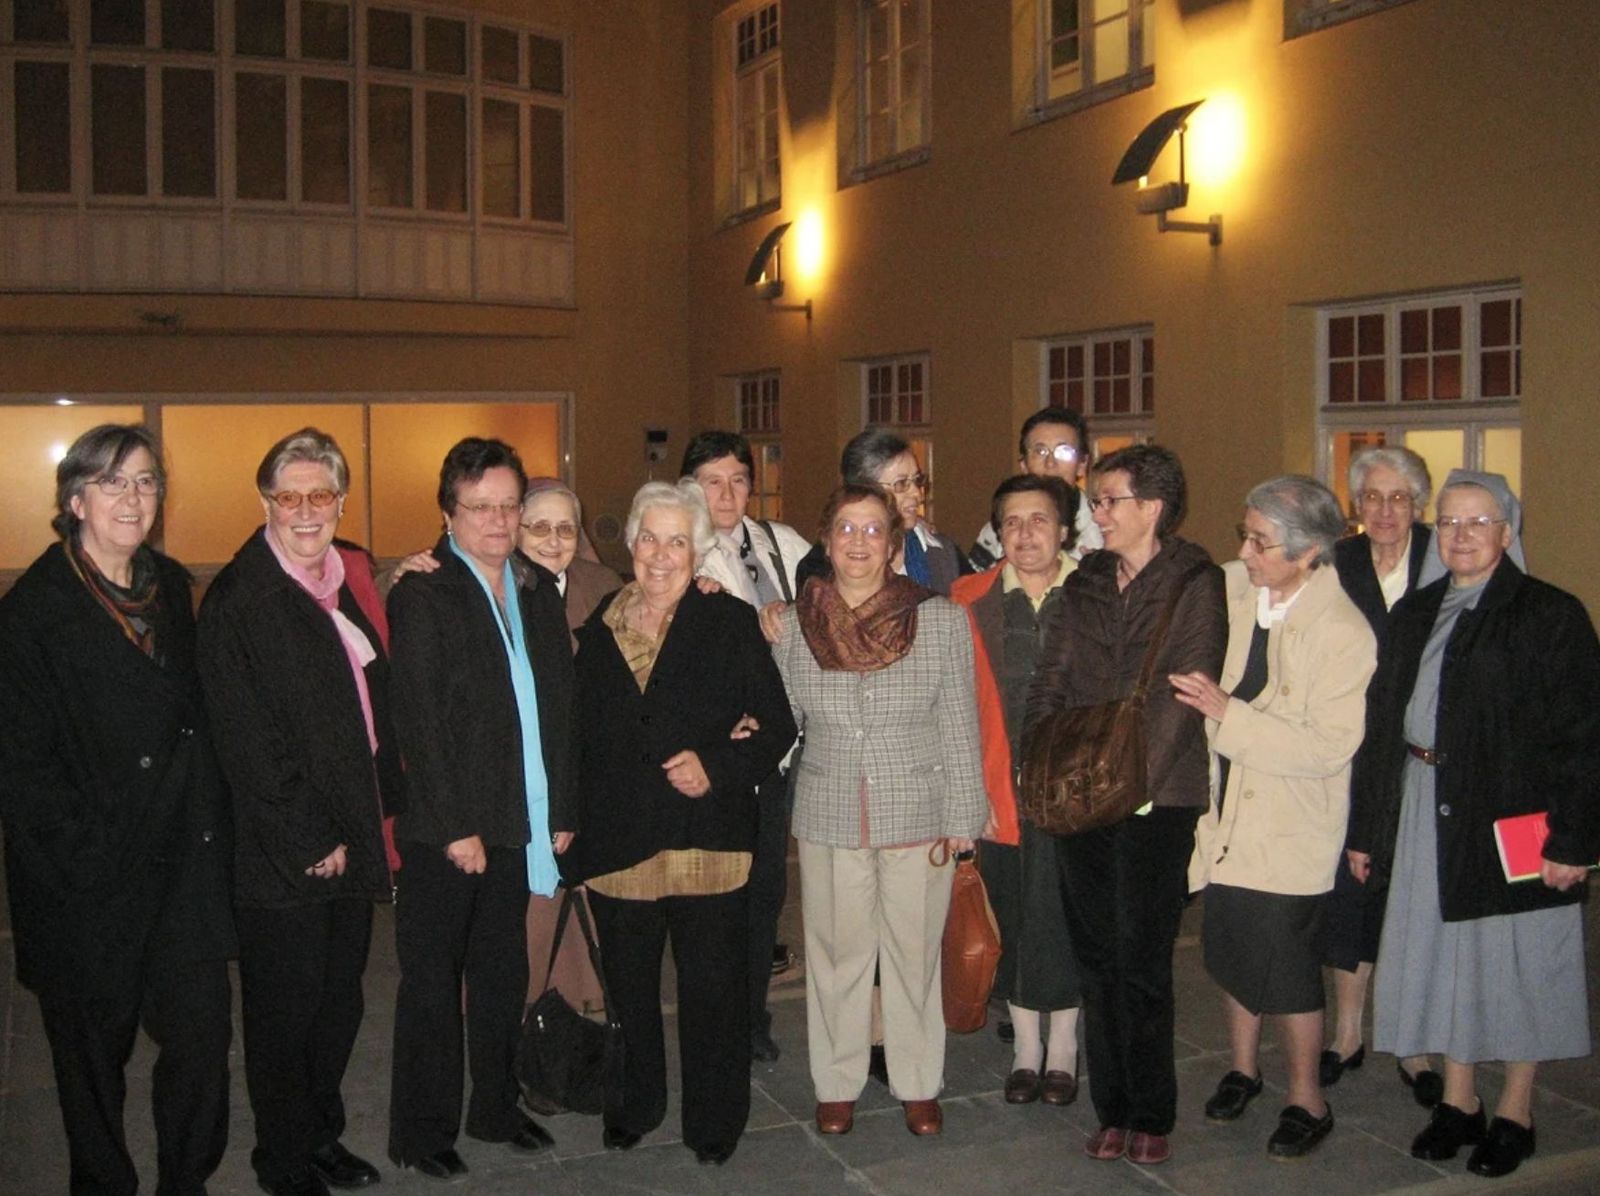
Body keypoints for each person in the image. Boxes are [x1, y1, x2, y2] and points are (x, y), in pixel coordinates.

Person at [0, 424, 234, 1196]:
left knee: (200, 1040)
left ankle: (185, 1182)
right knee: (91, 1066)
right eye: (113, 483)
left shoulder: (169, 586)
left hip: (180, 869)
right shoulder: (32, 613)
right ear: (74, 500)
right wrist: (87, 858)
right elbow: (25, 770)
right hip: (89, 879)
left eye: (145, 482)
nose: (134, 498)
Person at [1348, 471, 1599, 1179]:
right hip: (1427, 805)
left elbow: (1584, 737)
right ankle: (1459, 1102)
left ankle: (1516, 1108)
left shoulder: (1550, 614)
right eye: (1451, 522)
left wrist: (1574, 840)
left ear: (1508, 533)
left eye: (1479, 522)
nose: (1461, 535)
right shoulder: (1417, 612)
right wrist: (1368, 830)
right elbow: (1382, 725)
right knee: (1444, 959)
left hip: (1513, 818)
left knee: (1518, 965)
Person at [562, 480, 795, 1165]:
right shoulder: (600, 624)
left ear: (698, 552)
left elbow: (776, 725)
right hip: (622, 843)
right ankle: (635, 1104)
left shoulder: (727, 623)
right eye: (649, 538)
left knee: (713, 995)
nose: (661, 555)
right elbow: (576, 737)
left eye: (677, 541)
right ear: (629, 543)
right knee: (630, 992)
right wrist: (569, 822)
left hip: (708, 840)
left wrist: (719, 764)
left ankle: (714, 1121)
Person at [198, 428, 402, 1196]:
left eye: (322, 495)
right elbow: (245, 736)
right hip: (286, 853)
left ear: (341, 501)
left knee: (336, 1005)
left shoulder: (340, 579)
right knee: (284, 1020)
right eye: (291, 497)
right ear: (266, 504)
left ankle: (320, 1137)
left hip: (351, 830)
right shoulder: (244, 598)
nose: (307, 510)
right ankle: (282, 1163)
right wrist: (308, 835)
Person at [1024, 443, 1225, 1166]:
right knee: (1096, 958)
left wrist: (1129, 785)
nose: (1096, 514)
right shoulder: (1085, 582)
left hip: (1157, 797)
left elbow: (1186, 690)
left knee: (1142, 960)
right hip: (1080, 792)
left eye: (1110, 501)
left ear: (1153, 508)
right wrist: (1041, 761)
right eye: (1097, 501)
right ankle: (1112, 1108)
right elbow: (1053, 677)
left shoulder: (1195, 580)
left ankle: (1152, 1110)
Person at [385, 438, 574, 1181]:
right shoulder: (424, 591)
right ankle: (421, 1131)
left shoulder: (531, 588)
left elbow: (560, 707)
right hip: (451, 827)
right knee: (433, 981)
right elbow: (419, 720)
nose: (496, 521)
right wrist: (453, 822)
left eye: (507, 506)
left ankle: (494, 1105)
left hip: (519, 816)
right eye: (480, 507)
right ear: (448, 511)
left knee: (501, 971)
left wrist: (561, 804)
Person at [774, 481, 987, 1138]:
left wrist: (964, 818)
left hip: (917, 807)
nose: (858, 542)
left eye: (872, 530)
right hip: (830, 805)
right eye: (845, 528)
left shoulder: (940, 618)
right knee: (836, 955)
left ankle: (917, 1081)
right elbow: (778, 720)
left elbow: (959, 721)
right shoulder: (793, 624)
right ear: (827, 540)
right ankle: (836, 1082)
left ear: (894, 545)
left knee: (912, 954)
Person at [1174, 476, 1376, 1160]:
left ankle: (1305, 1099)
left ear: (1309, 552)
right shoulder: (1236, 588)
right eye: (1246, 534)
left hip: (1291, 825)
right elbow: (1184, 579)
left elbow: (1326, 749)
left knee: (1289, 972)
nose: (1246, 549)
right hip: (1226, 815)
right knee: (1229, 952)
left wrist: (1230, 714)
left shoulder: (1343, 631)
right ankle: (1242, 1068)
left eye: (1260, 541)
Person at [950, 475, 1083, 1107]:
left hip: (1077, 791)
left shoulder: (1097, 594)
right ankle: (1027, 1046)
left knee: (1065, 915)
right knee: (1012, 914)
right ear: (996, 532)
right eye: (1011, 522)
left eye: (1039, 520)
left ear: (1064, 529)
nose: (1025, 533)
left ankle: (1064, 1047)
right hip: (995, 787)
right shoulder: (964, 599)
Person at [681, 429, 809, 1063]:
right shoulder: (679, 554)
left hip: (779, 750)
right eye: (712, 481)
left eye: (737, 479)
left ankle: (751, 1014)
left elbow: (841, 584)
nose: (726, 493)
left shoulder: (779, 545)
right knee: (715, 893)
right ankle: (716, 1018)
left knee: (764, 890)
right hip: (719, 750)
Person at [1322, 446, 1439, 1100]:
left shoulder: (1446, 556)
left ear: (1417, 503)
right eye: (1373, 497)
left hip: (1423, 751)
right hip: (1352, 748)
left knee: (1413, 895)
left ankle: (1415, 1041)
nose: (1386, 510)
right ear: (1356, 505)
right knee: (1350, 895)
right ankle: (1347, 1032)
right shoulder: (1338, 563)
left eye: (1398, 498)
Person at [793, 429, 968, 595]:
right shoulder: (820, 567)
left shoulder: (942, 553)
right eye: (901, 484)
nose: (916, 493)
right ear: (865, 491)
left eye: (917, 481)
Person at [968, 408, 1101, 570]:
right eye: (1040, 451)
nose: (1050, 463)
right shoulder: (1000, 527)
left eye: (1064, 452)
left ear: (1082, 464)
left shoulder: (1102, 527)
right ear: (1024, 464)